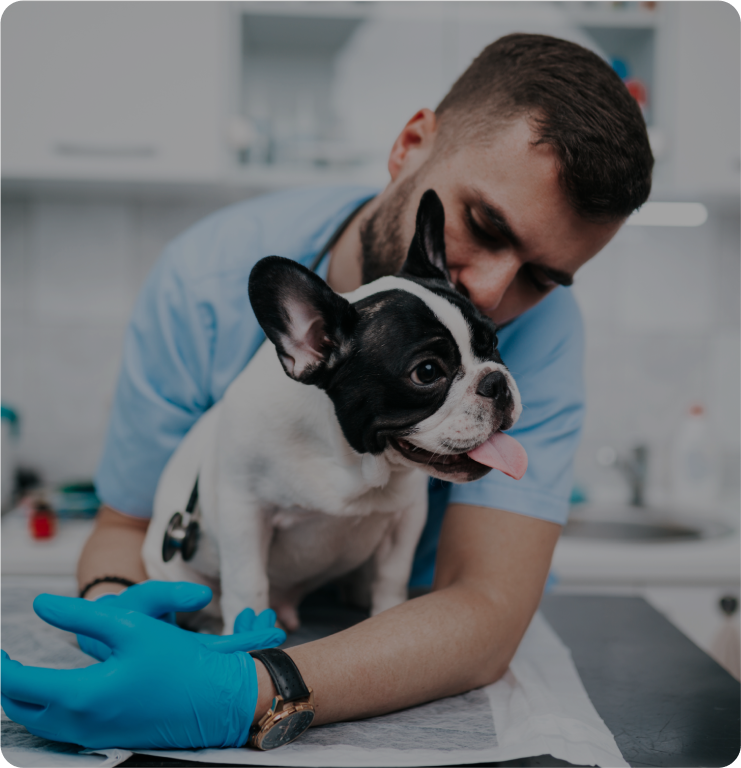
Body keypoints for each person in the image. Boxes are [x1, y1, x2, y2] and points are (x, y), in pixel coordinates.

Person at [0, 33, 652, 750]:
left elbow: (488, 609)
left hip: (420, 676)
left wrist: (251, 689)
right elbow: (124, 529)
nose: (494, 293)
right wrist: (120, 621)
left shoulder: (546, 332)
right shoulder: (203, 284)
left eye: (541, 277)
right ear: (409, 144)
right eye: (482, 224)